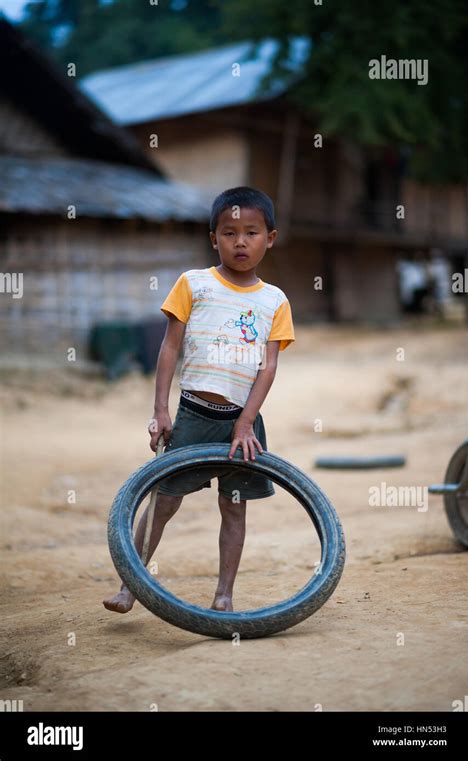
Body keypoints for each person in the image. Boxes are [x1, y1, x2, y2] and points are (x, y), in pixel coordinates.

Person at [103, 186, 295, 614]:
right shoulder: (194, 284)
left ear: (271, 238)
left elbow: (268, 368)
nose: (240, 242)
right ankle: (129, 585)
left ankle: (224, 596)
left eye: (251, 232)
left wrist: (246, 422)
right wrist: (160, 410)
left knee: (234, 509)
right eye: (229, 233)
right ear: (214, 238)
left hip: (242, 425)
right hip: (193, 414)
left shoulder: (275, 300)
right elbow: (170, 347)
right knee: (163, 501)